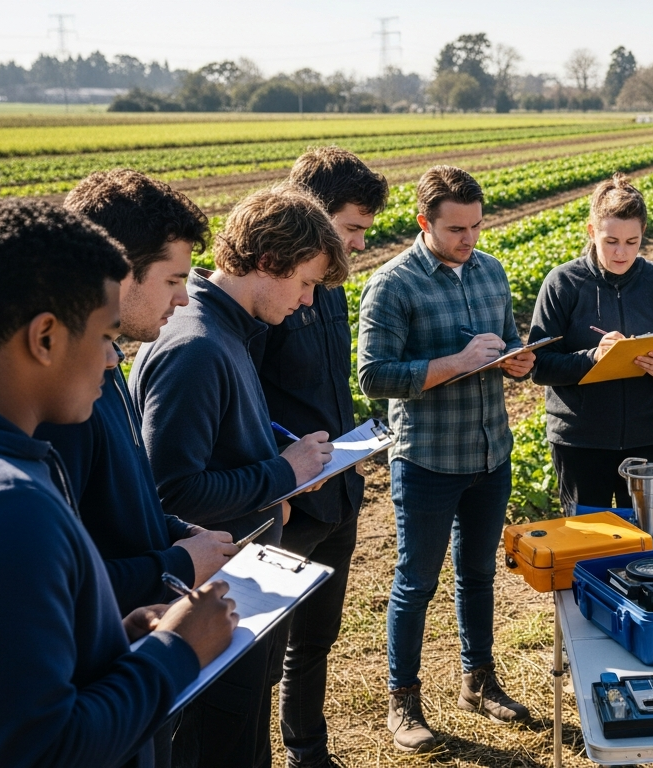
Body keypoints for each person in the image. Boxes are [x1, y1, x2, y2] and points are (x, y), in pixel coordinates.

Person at [0, 199, 237, 767]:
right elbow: (38, 752)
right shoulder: (1, 513)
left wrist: (101, 644)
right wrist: (175, 652)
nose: (112, 360)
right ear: (46, 337)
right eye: (106, 336)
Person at [132, 185, 342, 768]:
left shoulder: (229, 329)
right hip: (212, 592)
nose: (307, 301)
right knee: (217, 741)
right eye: (305, 283)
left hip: (238, 582)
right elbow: (172, 490)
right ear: (268, 261)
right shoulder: (197, 346)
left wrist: (281, 469)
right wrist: (281, 474)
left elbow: (224, 443)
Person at [357, 165, 535, 753]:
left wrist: (517, 359)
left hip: (490, 452)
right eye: (456, 229)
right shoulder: (393, 284)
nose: (469, 238)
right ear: (423, 222)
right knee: (416, 582)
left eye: (476, 226)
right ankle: (403, 700)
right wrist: (456, 363)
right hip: (428, 459)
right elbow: (373, 376)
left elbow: (507, 340)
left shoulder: (491, 271)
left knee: (478, 573)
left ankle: (477, 681)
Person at [37, 170, 237, 614]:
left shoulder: (107, 364)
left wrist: (178, 533)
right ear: (119, 274)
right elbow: (56, 585)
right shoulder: (61, 403)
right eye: (172, 280)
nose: (184, 299)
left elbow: (119, 504)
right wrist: (178, 565)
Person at [263, 146, 389, 768]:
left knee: (316, 638)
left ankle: (307, 751)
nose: (360, 244)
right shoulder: (267, 297)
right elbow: (246, 406)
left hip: (338, 490)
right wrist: (278, 477)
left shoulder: (330, 289)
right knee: (260, 653)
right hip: (290, 503)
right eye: (351, 228)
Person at [528, 173, 653, 511]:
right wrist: (592, 357)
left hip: (647, 438)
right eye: (611, 241)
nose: (621, 252)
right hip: (580, 442)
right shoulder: (563, 283)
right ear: (592, 231)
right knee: (589, 537)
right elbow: (540, 365)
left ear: (643, 232)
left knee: (650, 535)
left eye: (632, 242)